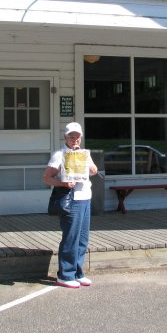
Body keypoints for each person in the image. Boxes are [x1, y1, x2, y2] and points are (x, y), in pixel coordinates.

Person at [43, 122, 98, 289]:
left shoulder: (84, 154)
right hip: (71, 199)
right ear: (65, 137)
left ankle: (78, 273)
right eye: (71, 136)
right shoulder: (59, 155)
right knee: (71, 237)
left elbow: (94, 171)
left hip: (85, 198)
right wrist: (63, 183)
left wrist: (87, 165)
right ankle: (65, 275)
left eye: (77, 136)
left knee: (82, 238)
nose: (75, 139)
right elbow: (46, 178)